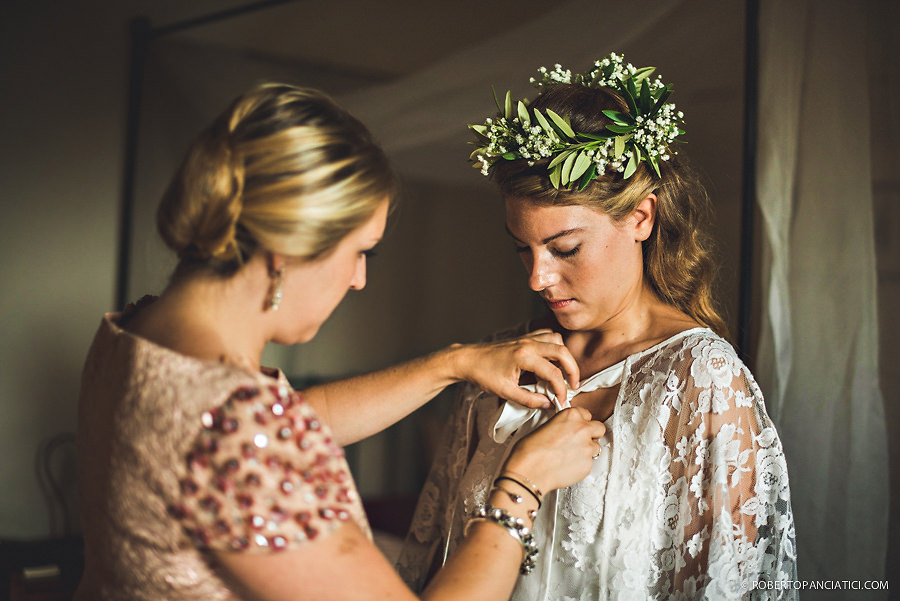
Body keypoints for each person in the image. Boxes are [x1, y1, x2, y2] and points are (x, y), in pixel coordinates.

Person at [73, 82, 608, 601]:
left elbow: (290, 421)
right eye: (361, 252)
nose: (359, 280)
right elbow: (251, 437)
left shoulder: (139, 335)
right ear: (286, 247)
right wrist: (522, 485)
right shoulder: (233, 429)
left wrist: (454, 363)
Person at [397, 53, 798, 600]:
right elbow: (433, 556)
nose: (538, 277)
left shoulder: (701, 379)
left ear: (641, 217)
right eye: (523, 248)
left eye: (565, 248)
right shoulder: (497, 365)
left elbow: (731, 584)